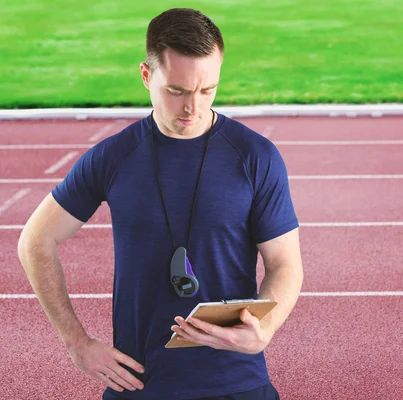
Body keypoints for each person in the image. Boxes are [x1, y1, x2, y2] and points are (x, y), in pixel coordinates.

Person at [18, 8, 303, 400]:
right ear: (147, 76)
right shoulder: (113, 157)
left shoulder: (255, 156)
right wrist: (76, 342)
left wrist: (264, 332)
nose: (193, 108)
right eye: (177, 91)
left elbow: (285, 263)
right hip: (139, 383)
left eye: (207, 91)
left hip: (236, 381)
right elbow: (34, 241)